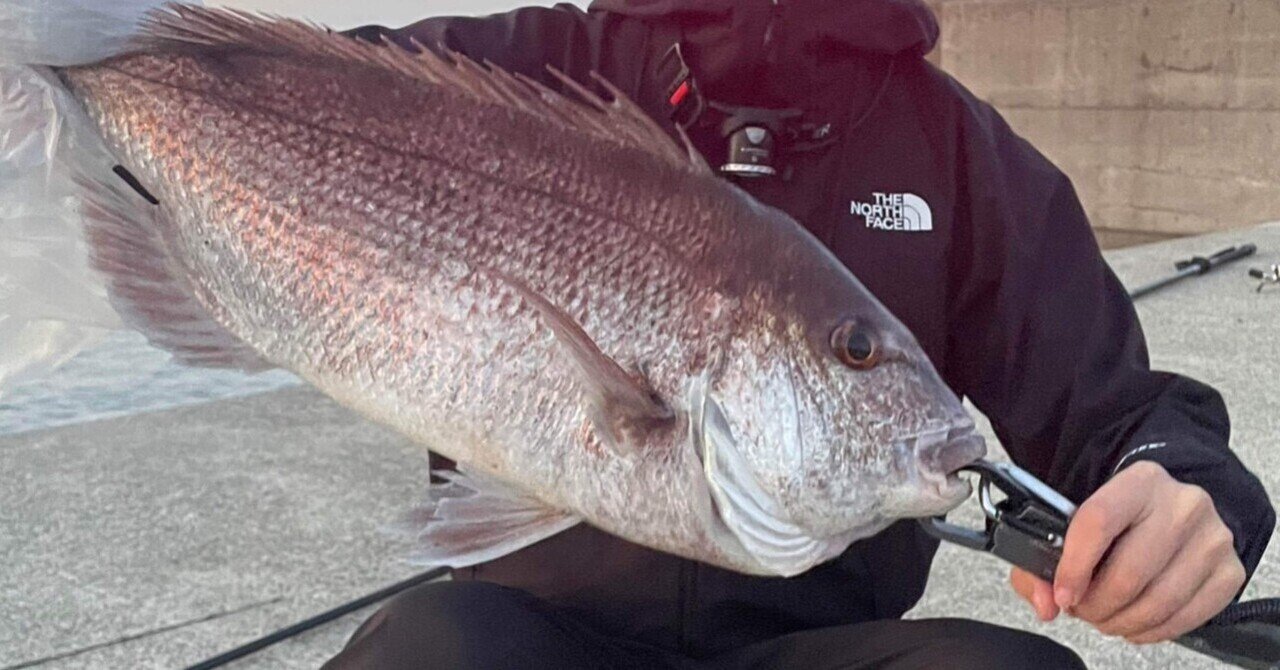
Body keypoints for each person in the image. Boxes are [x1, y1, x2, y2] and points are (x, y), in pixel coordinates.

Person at [326, 1, 1275, 667]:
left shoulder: (953, 150)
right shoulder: (516, 72)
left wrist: (1185, 487)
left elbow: (1118, 412)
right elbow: (267, 90)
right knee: (430, 649)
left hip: (819, 647)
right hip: (523, 635)